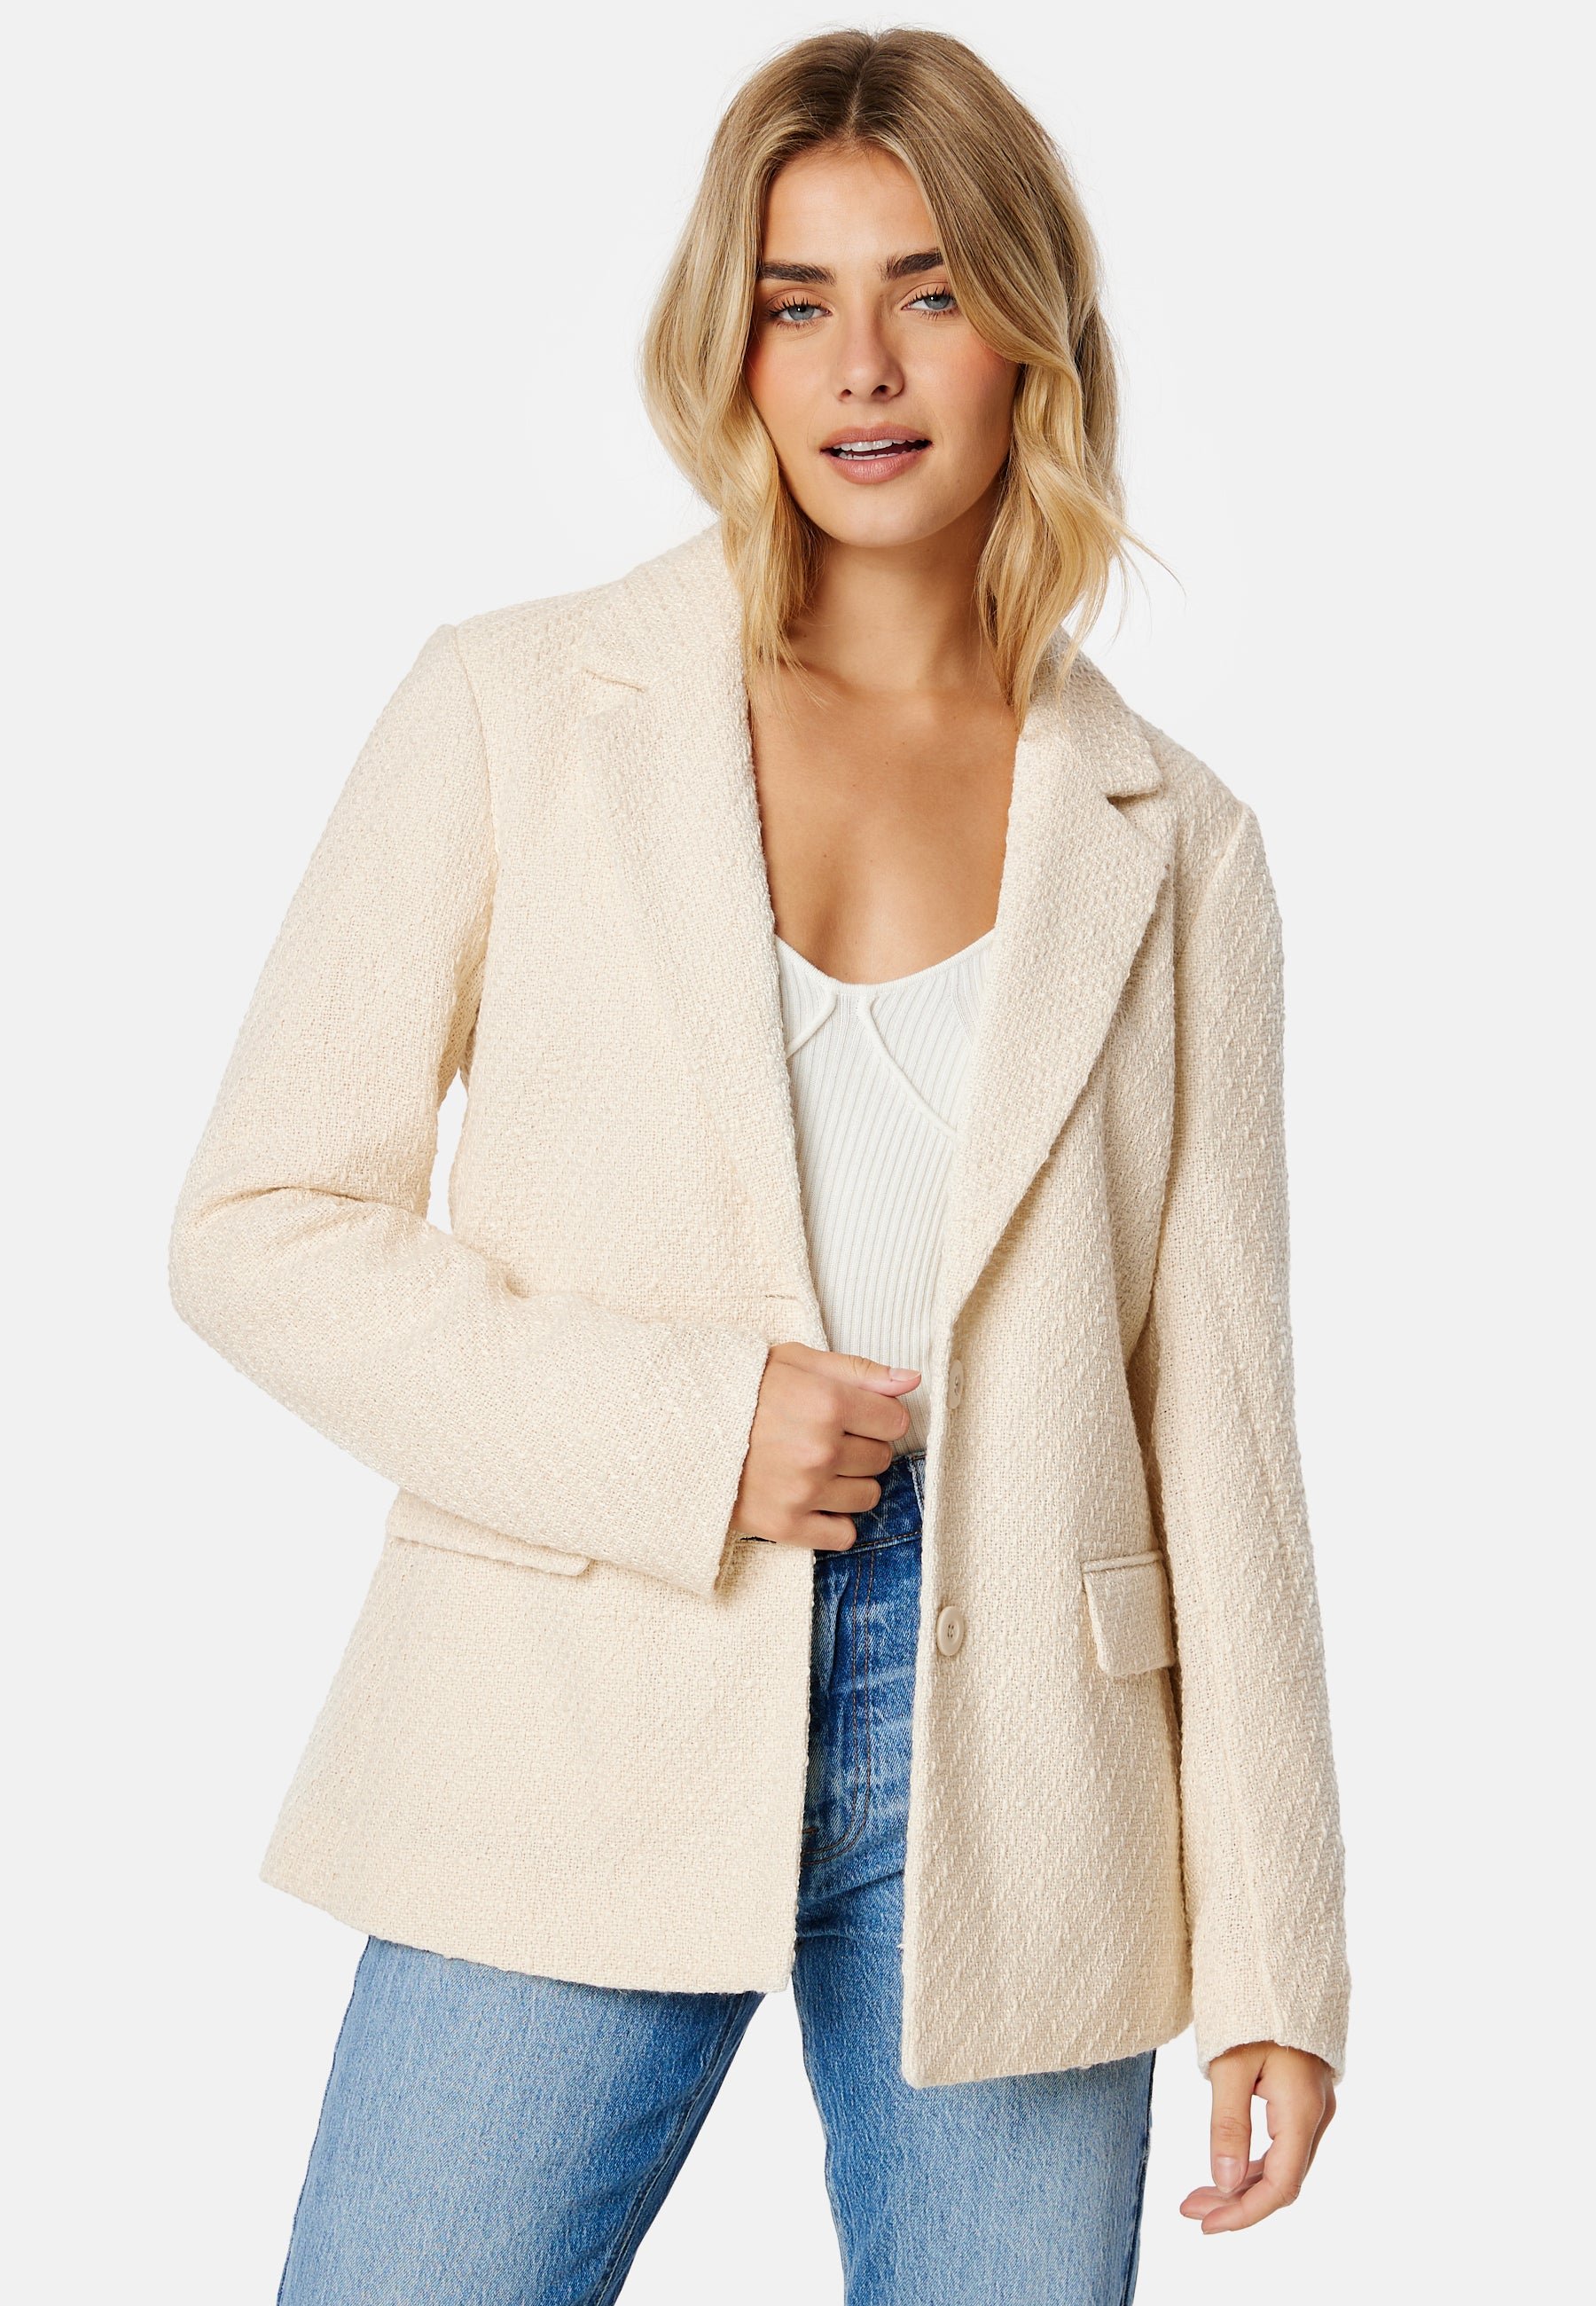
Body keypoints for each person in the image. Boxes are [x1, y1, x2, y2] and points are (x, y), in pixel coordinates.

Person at [168, 26, 1350, 2304]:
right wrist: (697, 1426)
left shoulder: (1178, 838)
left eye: (929, 289)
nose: (862, 367)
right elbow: (257, 1227)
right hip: (580, 1676)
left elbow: (1221, 1421)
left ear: (1032, 330)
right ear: (733, 340)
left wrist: (1279, 1949)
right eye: (799, 302)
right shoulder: (520, 708)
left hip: (1026, 1760)